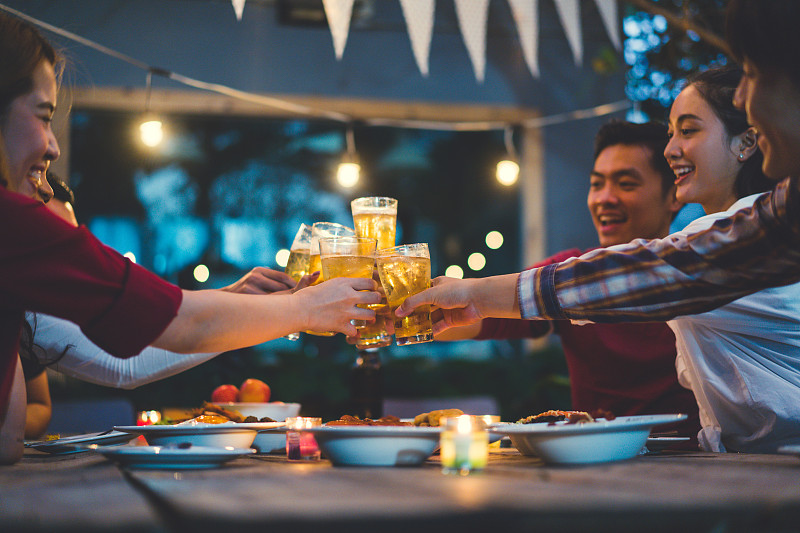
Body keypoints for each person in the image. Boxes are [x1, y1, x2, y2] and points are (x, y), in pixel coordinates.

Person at [0, 14, 379, 464]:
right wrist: (307, 309)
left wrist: (238, 302)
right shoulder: (12, 223)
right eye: (43, 116)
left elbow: (124, 359)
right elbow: (178, 322)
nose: (53, 146)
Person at [397, 0, 800, 335]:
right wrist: (412, 306)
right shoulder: (776, 220)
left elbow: (659, 272)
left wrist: (471, 293)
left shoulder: (719, 243)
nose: (743, 98)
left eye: (753, 74)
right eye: (596, 183)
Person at [438, 121, 699, 438]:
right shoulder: (568, 272)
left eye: (626, 184)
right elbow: (481, 319)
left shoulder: (698, 276)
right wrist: (409, 312)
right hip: (594, 455)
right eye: (596, 184)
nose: (605, 198)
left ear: (674, 195)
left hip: (688, 455)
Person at [661, 64, 800, 453]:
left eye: (688, 131)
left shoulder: (743, 239)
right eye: (671, 134)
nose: (670, 149)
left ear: (747, 142)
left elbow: (624, 278)